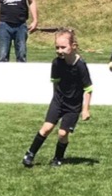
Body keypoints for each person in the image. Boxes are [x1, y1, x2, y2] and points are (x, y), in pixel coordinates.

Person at [22, 28, 92, 168]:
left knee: (62, 133)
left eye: (63, 47)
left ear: (73, 46)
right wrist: (55, 101)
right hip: (58, 101)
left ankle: (58, 158)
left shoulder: (80, 65)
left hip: (73, 106)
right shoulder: (56, 63)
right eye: (57, 47)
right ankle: (30, 153)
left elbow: (88, 89)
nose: (59, 50)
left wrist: (85, 109)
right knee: (46, 128)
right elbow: (55, 84)